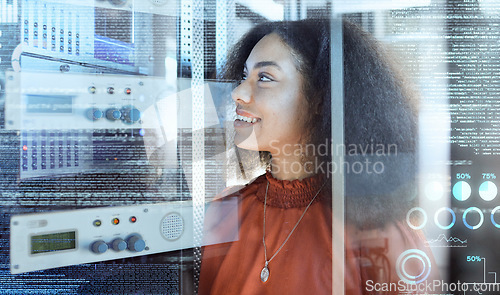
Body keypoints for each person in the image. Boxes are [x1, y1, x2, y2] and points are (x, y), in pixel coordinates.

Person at [199, 18, 438, 295]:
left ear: (320, 100)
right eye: (244, 76)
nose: (238, 93)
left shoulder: (377, 230)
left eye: (264, 78)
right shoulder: (225, 211)